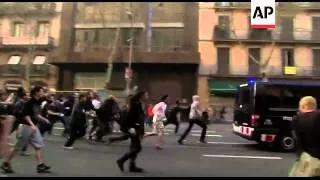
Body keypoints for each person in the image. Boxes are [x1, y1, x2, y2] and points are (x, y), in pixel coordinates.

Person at [1, 86, 51, 173]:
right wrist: (32, 125)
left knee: (38, 145)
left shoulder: (37, 102)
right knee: (18, 148)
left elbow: (37, 114)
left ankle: (40, 165)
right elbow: (26, 115)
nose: (43, 93)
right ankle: (6, 162)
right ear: (36, 92)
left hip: (33, 127)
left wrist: (44, 119)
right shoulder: (29, 103)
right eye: (41, 91)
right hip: (26, 126)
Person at [117, 91, 148, 173]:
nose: (147, 96)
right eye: (146, 95)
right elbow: (129, 117)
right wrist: (130, 127)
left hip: (137, 128)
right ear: (141, 96)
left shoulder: (140, 104)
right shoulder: (136, 104)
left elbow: (141, 119)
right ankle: (121, 160)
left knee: (134, 147)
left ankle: (132, 166)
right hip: (134, 128)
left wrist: (142, 131)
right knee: (137, 148)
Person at [290, 96, 320, 177]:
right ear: (314, 106)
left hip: (305, 160)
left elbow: (296, 140)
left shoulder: (296, 119)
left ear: (303, 106)